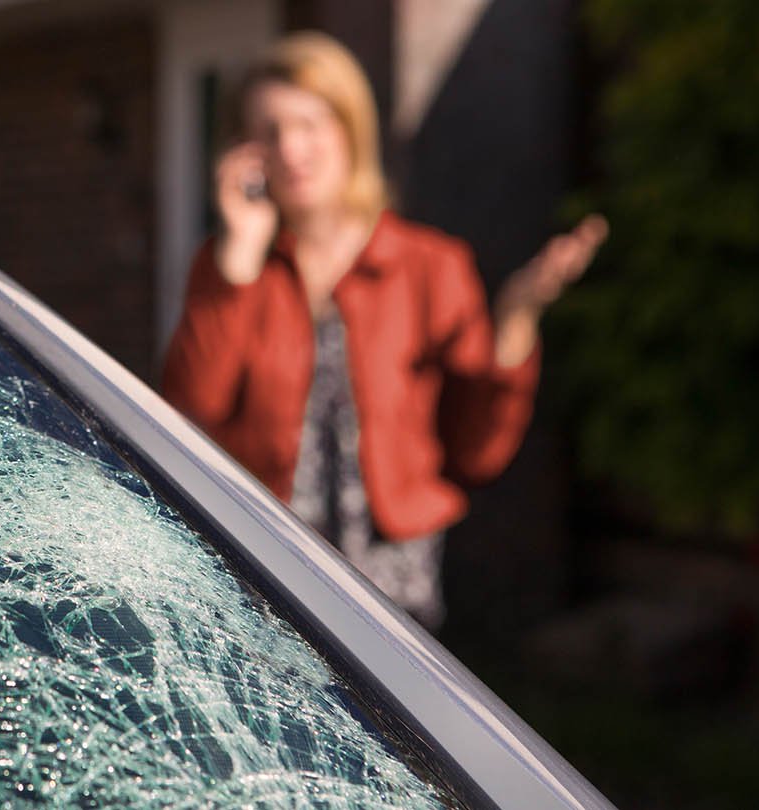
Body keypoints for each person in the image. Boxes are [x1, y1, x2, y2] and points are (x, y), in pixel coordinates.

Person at [161, 31, 607, 629]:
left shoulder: (430, 266)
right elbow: (187, 419)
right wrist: (238, 258)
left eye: (310, 123)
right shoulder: (230, 269)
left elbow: (477, 450)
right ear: (244, 149)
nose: (291, 148)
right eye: (268, 130)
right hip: (260, 577)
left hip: (394, 589)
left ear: (350, 130)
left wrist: (517, 319)